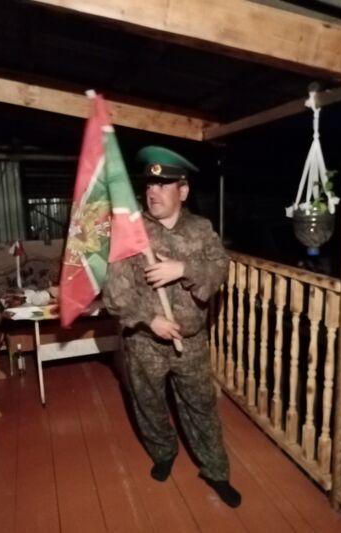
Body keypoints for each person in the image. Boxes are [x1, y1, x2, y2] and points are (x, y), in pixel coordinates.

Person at [102, 146, 241, 508]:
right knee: (148, 403)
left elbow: (220, 269)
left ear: (183, 190)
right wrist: (151, 320)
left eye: (163, 185)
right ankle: (163, 451)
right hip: (145, 343)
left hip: (191, 342)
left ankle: (216, 471)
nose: (153, 191)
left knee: (201, 406)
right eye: (150, 184)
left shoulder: (201, 229)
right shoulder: (132, 232)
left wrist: (183, 269)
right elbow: (114, 292)